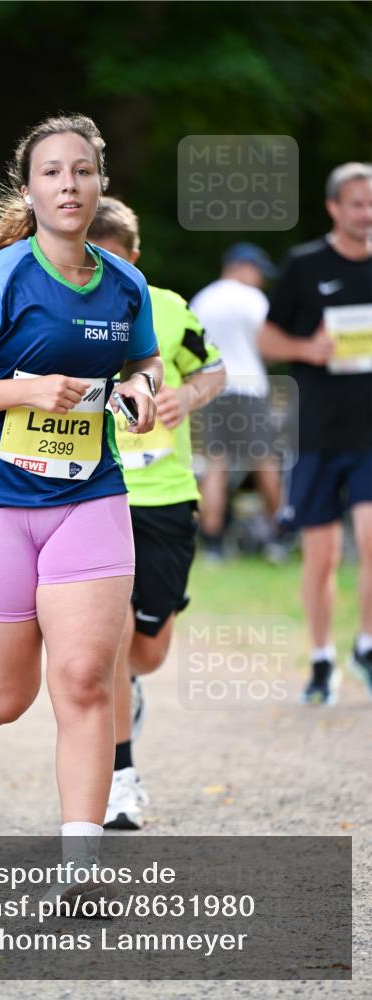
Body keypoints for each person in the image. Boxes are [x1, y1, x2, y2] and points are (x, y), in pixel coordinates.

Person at [0, 115, 163, 872]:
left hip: (89, 495)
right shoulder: (0, 279)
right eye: (52, 172)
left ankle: (80, 865)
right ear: (29, 191)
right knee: (7, 693)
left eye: (82, 170)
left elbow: (147, 362)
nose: (68, 184)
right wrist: (21, 390)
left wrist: (141, 389)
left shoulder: (124, 284)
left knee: (84, 679)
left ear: (100, 183)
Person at [87, 198, 225, 829]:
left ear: (136, 260)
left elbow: (213, 370)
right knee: (111, 639)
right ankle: (121, 777)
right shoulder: (63, 315)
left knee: (148, 651)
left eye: (116, 263)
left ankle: (130, 688)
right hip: (96, 493)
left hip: (166, 496)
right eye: (93, 261)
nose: (105, 275)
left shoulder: (168, 308)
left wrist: (186, 397)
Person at [258, 162, 372, 705]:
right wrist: (309, 349)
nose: (366, 213)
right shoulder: (305, 266)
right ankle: (323, 659)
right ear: (334, 208)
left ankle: (366, 646)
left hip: (370, 433)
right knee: (322, 556)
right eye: (357, 203)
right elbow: (266, 341)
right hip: (316, 433)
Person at [190, 243, 280, 561]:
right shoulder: (253, 299)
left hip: (213, 388)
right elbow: (267, 345)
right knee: (264, 460)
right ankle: (279, 535)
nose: (261, 280)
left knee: (216, 463)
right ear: (242, 266)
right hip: (249, 388)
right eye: (258, 272)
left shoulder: (202, 299)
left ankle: (213, 541)